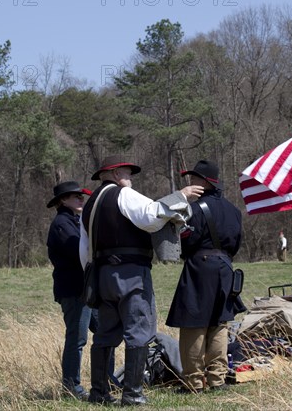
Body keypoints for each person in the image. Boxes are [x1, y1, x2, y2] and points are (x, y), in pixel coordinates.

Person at [80, 155, 203, 406]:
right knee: (139, 331)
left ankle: (99, 393)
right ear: (115, 174)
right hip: (130, 273)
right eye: (127, 172)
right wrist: (181, 195)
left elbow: (84, 250)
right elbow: (151, 215)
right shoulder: (123, 194)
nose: (131, 177)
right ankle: (132, 394)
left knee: (105, 335)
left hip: (101, 276)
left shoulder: (90, 204)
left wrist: (97, 276)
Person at [166, 160, 246, 393]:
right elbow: (236, 244)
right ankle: (217, 379)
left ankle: (193, 382)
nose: (190, 182)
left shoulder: (195, 209)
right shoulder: (233, 210)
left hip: (200, 268)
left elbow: (186, 242)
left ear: (205, 182)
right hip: (224, 267)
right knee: (219, 324)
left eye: (194, 178)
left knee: (193, 324)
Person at [46, 181, 95, 400]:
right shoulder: (62, 223)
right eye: (75, 196)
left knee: (104, 332)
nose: (80, 199)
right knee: (77, 338)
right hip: (74, 290)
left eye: (81, 196)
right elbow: (79, 252)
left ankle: (105, 381)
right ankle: (71, 387)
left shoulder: (75, 221)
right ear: (62, 201)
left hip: (88, 289)